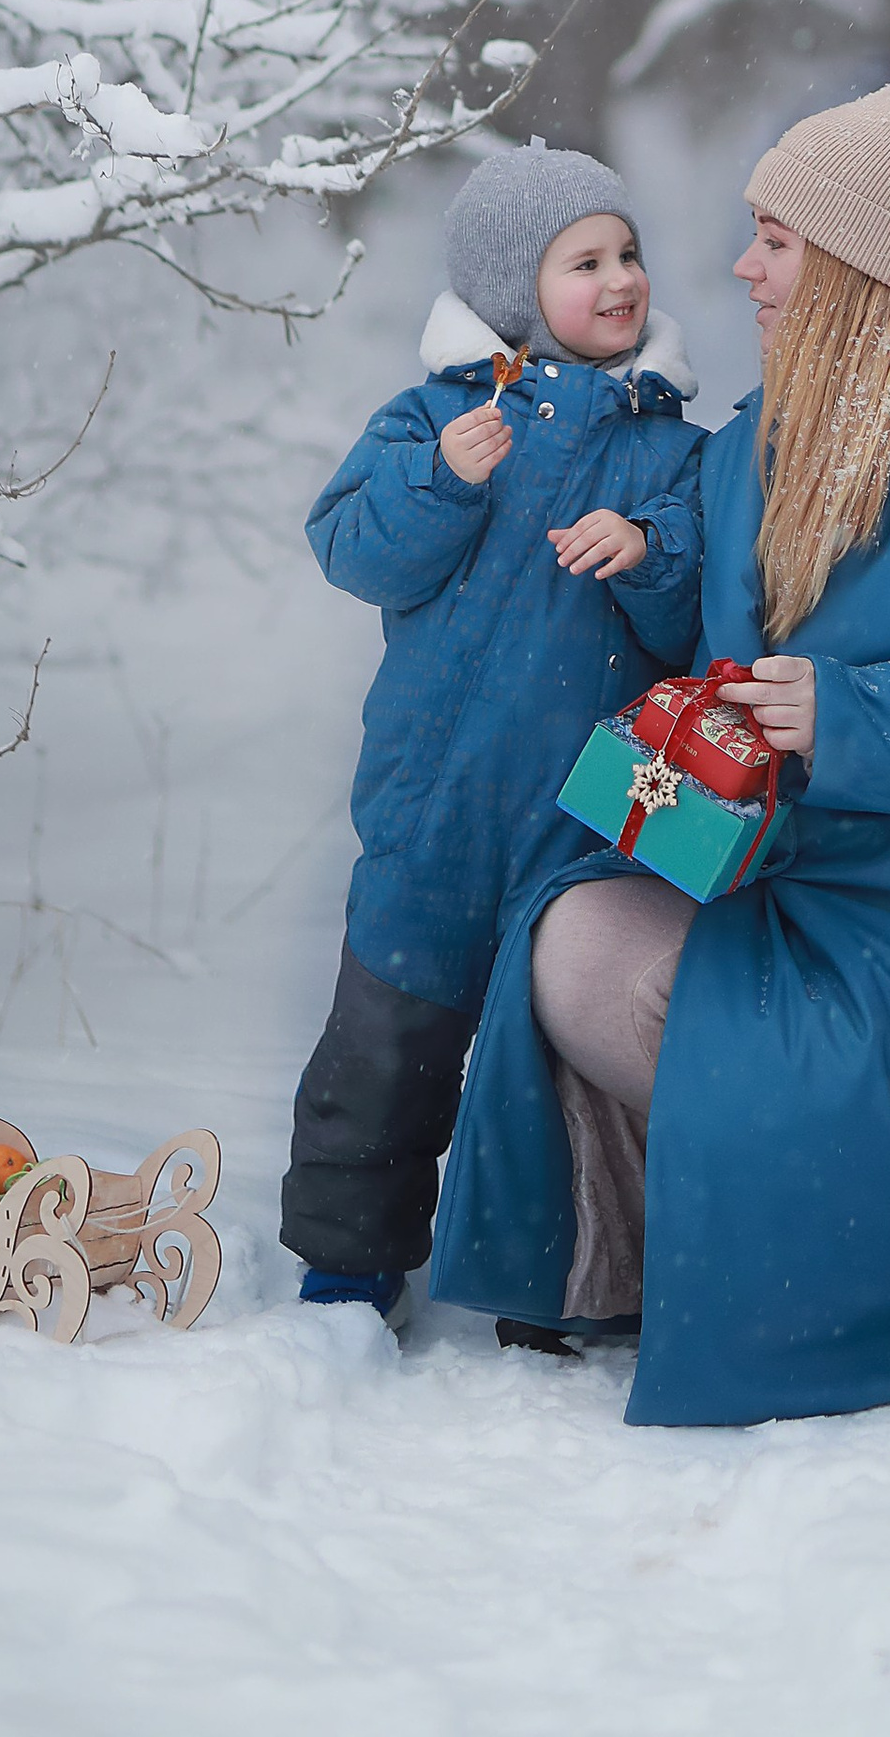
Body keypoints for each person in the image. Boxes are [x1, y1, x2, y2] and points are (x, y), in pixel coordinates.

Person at [428, 75, 890, 1422]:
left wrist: (849, 717)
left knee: (694, 1002)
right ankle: (667, 1246)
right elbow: (714, 630)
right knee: (568, 913)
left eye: (774, 238)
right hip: (821, 881)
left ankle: (823, 1257)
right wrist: (646, 574)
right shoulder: (766, 445)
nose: (740, 265)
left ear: (853, 263)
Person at [282, 141, 705, 1324]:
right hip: (436, 800)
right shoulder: (442, 414)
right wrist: (439, 479)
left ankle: (552, 1277)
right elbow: (351, 547)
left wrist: (651, 549)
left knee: (547, 1059)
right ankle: (346, 1260)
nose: (622, 278)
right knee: (386, 1038)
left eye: (627, 252)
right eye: (587, 260)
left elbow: (699, 615)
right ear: (519, 291)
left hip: (582, 817)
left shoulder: (673, 448)